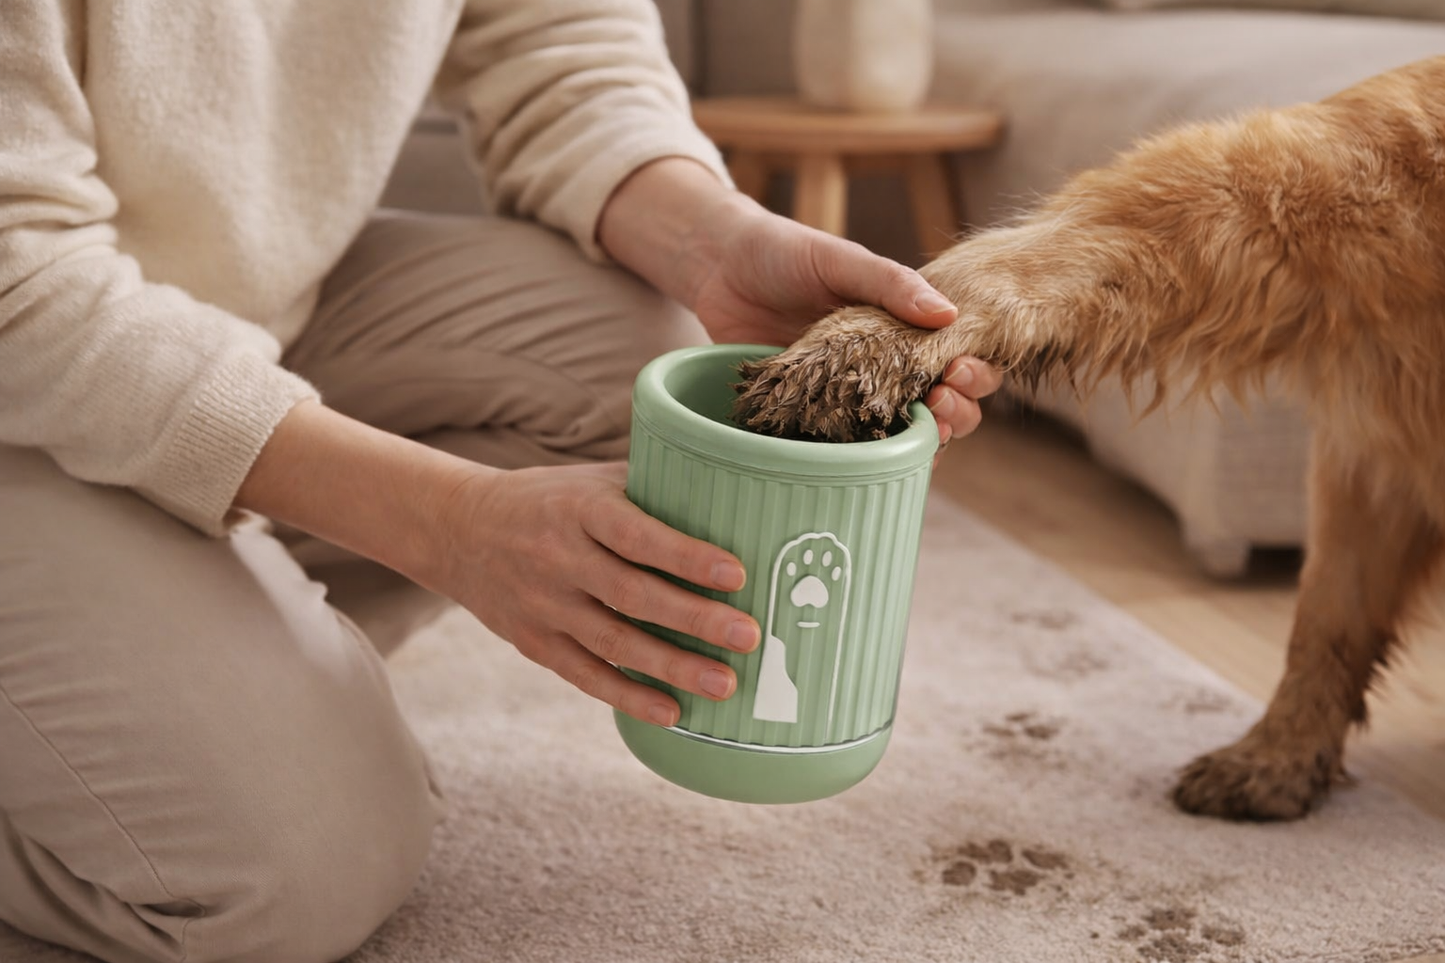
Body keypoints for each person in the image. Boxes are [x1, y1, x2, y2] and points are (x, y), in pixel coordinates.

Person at [0, 2, 1001, 961]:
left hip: (242, 310)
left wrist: (717, 244)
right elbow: (20, 278)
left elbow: (561, 43)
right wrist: (446, 522)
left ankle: (195, 651)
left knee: (664, 378)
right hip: (22, 364)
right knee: (302, 868)